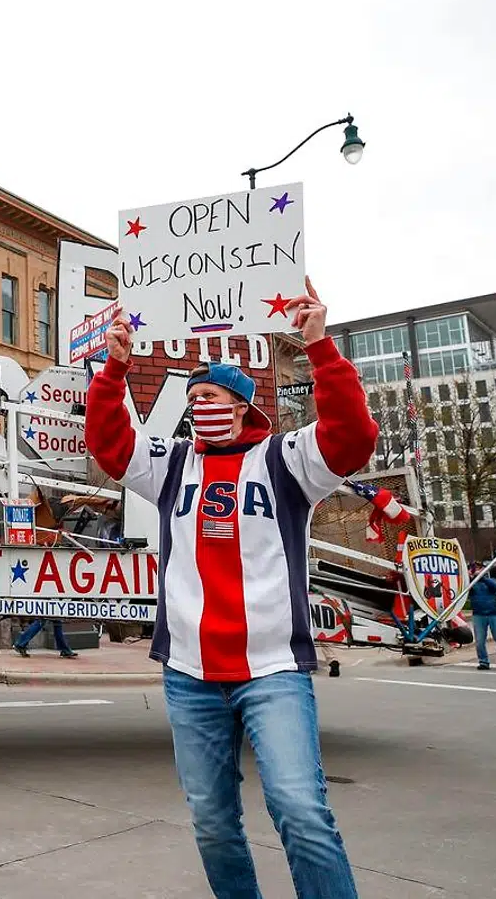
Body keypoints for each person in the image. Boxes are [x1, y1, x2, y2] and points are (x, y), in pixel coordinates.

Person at [86, 277, 376, 899]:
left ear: (245, 404)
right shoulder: (172, 465)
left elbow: (352, 438)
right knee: (214, 823)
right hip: (189, 673)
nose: (201, 407)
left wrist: (320, 348)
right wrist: (113, 369)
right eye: (195, 399)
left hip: (272, 668)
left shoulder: (285, 460)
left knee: (301, 810)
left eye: (214, 396)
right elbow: (110, 444)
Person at [469, 564, 496, 671]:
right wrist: (471, 577)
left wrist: (482, 577)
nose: (478, 571)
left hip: (494, 615)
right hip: (478, 615)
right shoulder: (472, 584)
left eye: (480, 568)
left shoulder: (491, 580)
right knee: (480, 641)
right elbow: (466, 589)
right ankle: (483, 662)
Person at [12, 619, 78, 658]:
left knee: (56, 622)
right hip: (51, 600)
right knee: (42, 621)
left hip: (53, 599)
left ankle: (65, 649)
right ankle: (20, 644)